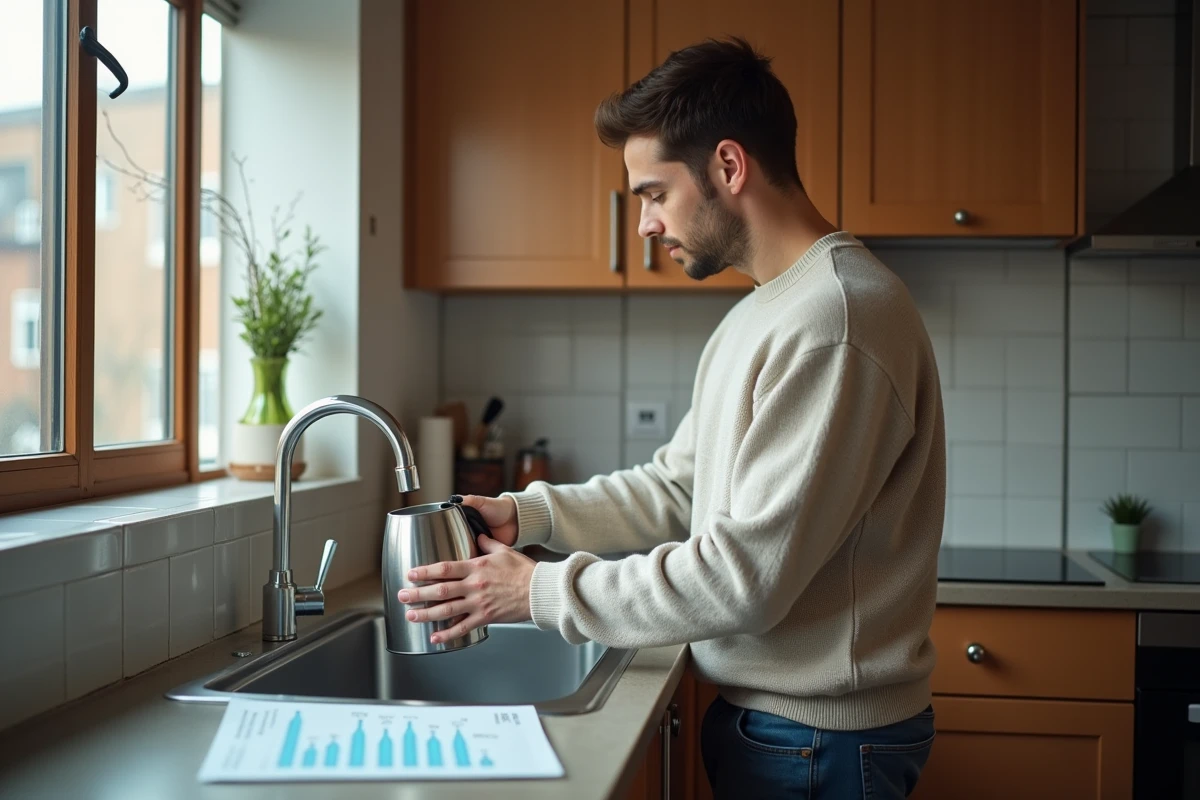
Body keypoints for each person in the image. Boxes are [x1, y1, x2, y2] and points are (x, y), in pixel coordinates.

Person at [398, 36, 946, 799]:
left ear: (728, 166)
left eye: (654, 193)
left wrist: (536, 594)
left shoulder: (837, 321)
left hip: (822, 740)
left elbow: (743, 579)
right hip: (783, 729)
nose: (645, 225)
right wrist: (527, 516)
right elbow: (677, 490)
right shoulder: (766, 313)